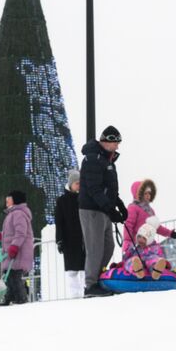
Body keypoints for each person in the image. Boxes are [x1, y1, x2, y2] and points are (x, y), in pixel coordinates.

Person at [78, 125, 127, 297]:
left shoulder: (107, 160)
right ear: (107, 142)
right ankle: (90, 285)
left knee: (108, 246)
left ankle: (98, 279)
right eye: (116, 143)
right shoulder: (93, 159)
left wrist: (119, 205)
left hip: (103, 209)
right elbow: (94, 189)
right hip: (92, 209)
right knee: (95, 247)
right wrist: (109, 207)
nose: (117, 147)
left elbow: (109, 188)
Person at [53, 169, 86, 296]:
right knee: (72, 271)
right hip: (69, 240)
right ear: (71, 184)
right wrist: (59, 240)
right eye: (77, 183)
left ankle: (85, 292)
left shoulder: (85, 198)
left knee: (84, 269)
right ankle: (74, 295)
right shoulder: (62, 201)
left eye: (80, 183)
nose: (79, 185)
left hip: (84, 239)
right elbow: (59, 222)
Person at [0, 190, 35, 305]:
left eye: (8, 200)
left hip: (18, 252)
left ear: (15, 200)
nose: (6, 203)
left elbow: (20, 233)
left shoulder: (18, 214)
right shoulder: (12, 214)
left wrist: (14, 246)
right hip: (12, 252)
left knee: (14, 277)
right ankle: (9, 298)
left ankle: (21, 299)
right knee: (10, 277)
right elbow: (8, 234)